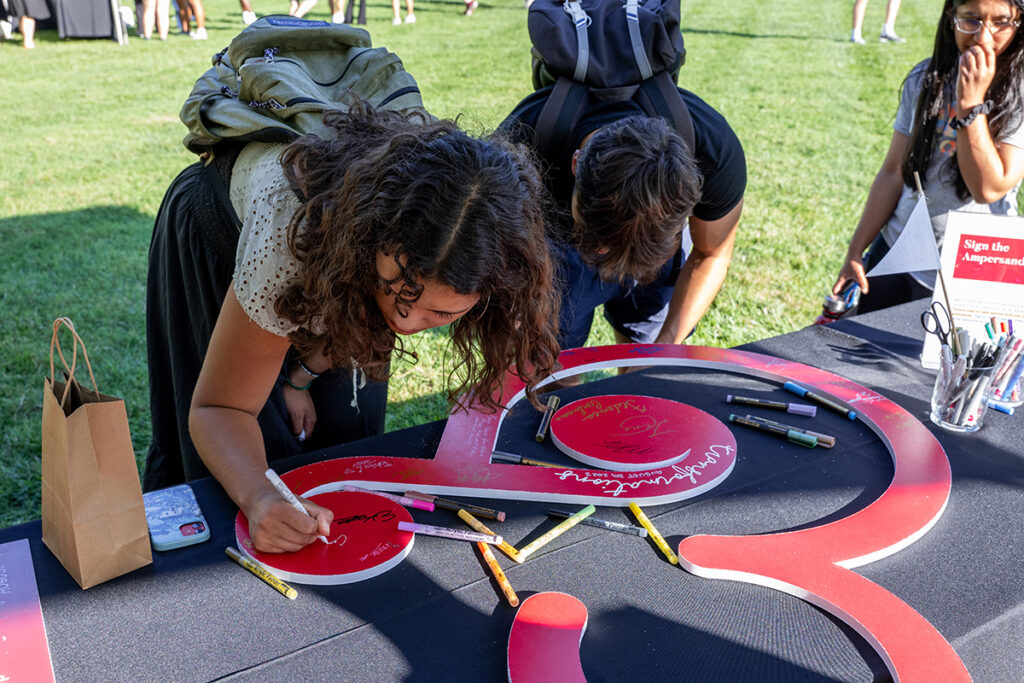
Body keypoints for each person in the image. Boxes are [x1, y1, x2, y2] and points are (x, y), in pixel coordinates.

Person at [145, 98, 561, 553]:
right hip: (222, 229)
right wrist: (261, 497)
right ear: (371, 238)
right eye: (397, 292)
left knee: (349, 430)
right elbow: (220, 410)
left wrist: (302, 377)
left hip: (339, 254)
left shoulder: (486, 253)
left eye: (440, 315)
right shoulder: (290, 235)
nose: (405, 325)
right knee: (257, 450)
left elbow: (369, 311)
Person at [500, 90, 745, 352]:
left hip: (653, 255)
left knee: (643, 368)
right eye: (594, 234)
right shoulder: (518, 149)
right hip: (558, 247)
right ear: (575, 162)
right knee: (549, 365)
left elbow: (712, 254)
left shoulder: (713, 153)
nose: (604, 254)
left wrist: (666, 345)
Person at [833, 0, 1024, 313]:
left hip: (968, 271)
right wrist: (856, 250)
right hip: (896, 251)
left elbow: (988, 188)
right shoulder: (926, 77)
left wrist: (970, 105)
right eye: (971, 19)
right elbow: (894, 172)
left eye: (1002, 22)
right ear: (951, 16)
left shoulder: (1018, 93)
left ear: (1019, 23)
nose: (984, 37)